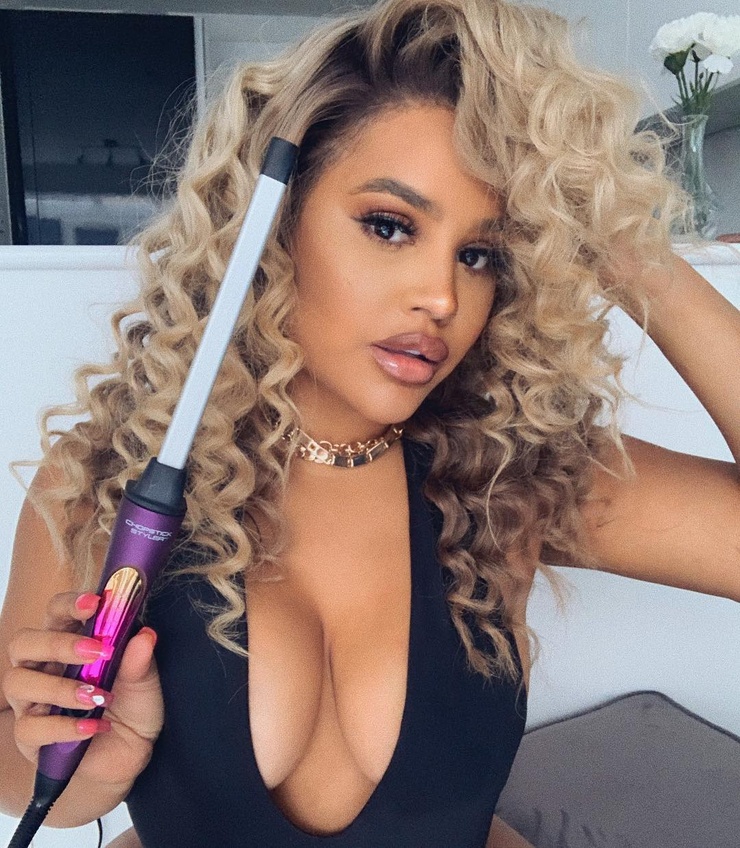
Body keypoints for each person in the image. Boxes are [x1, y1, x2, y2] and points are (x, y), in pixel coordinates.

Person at [1, 0, 738, 845]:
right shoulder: (108, 478)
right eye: (390, 226)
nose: (442, 296)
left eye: (480, 254)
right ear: (274, 225)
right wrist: (94, 767)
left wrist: (629, 250)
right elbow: (18, 774)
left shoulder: (510, 477)